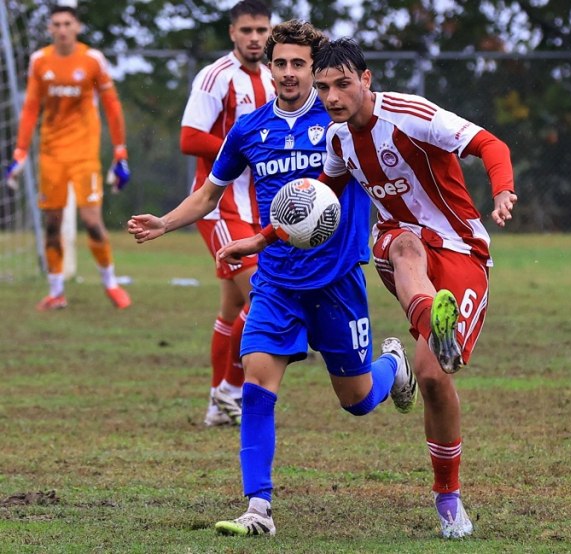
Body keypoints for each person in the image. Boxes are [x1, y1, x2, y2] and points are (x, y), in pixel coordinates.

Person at [128, 20, 416, 538]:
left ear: (315, 68)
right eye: (279, 63)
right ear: (269, 66)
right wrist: (165, 222)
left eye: (298, 64)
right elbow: (209, 194)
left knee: (355, 400)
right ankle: (258, 508)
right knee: (258, 384)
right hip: (276, 283)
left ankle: (391, 366)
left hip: (336, 283)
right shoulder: (249, 128)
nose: (287, 73)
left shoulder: (342, 124)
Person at [310, 38, 517, 539]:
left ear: (366, 79)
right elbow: (321, 203)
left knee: (432, 378)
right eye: (323, 88)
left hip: (462, 248)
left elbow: (491, 144)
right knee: (400, 243)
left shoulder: (410, 114)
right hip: (402, 249)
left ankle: (448, 490)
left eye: (342, 84)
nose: (333, 96)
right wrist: (270, 237)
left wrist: (503, 188)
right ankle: (433, 323)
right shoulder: (337, 142)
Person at [179, 0, 275, 428]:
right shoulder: (215, 77)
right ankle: (229, 391)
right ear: (233, 33)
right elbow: (189, 137)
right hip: (220, 208)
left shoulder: (278, 75)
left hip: (263, 206)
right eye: (248, 30)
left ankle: (220, 402)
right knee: (262, 297)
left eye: (262, 30)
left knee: (232, 307)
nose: (256, 38)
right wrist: (244, 146)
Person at [4, 3, 132, 311]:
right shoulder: (40, 61)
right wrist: (20, 150)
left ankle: (111, 284)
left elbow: (112, 106)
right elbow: (31, 107)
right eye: (56, 24)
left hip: (84, 154)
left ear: (77, 28)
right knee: (52, 224)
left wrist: (120, 152)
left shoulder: (92, 60)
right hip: (51, 154)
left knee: (91, 221)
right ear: (50, 29)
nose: (62, 29)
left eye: (67, 24)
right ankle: (56, 291)